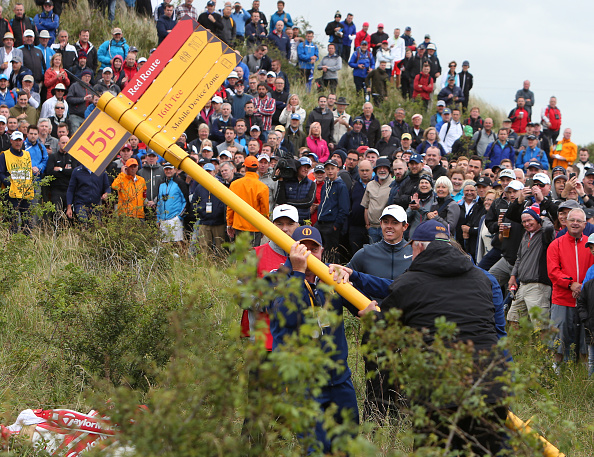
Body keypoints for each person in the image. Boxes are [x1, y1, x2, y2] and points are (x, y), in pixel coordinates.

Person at [268, 225, 359, 454]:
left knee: (346, 445)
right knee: (316, 447)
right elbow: (288, 316)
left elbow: (361, 301)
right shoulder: (278, 278)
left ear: (322, 251)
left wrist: (364, 306)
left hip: (338, 380)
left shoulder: (330, 279)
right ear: (292, 251)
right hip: (305, 383)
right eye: (303, 248)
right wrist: (298, 273)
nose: (309, 254)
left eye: (314, 249)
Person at [548, 208, 594, 370]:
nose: (575, 223)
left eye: (579, 221)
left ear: (584, 224)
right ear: (566, 222)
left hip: (586, 299)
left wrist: (582, 286)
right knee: (559, 337)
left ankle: (582, 375)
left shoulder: (591, 244)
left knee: (585, 339)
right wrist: (571, 284)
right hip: (562, 298)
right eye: (572, 220)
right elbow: (553, 271)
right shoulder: (556, 244)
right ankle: (556, 371)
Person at [227, 155, 269, 246]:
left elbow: (230, 207)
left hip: (239, 226)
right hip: (255, 226)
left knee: (241, 255)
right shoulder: (263, 187)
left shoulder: (234, 185)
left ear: (245, 168)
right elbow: (265, 211)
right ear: (257, 168)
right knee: (253, 256)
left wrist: (229, 224)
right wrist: (264, 228)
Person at [315, 160, 349, 263]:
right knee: (319, 250)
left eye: (332, 168)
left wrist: (336, 225)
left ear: (337, 170)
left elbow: (344, 208)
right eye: (328, 169)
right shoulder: (326, 185)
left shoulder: (340, 186)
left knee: (331, 254)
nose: (330, 171)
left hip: (331, 224)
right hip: (321, 222)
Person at [0, 130, 34, 233]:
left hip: (25, 192)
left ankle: (26, 243)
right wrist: (9, 184)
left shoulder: (27, 154)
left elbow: (29, 172)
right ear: (11, 141)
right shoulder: (4, 155)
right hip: (11, 193)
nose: (18, 142)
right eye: (16, 140)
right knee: (12, 222)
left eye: (20, 140)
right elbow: (1, 173)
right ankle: (12, 243)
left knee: (27, 220)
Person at [362, 158, 392, 243]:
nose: (382, 170)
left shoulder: (393, 184)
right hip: (372, 228)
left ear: (389, 170)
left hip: (387, 227)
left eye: (385, 168)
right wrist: (368, 225)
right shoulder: (370, 185)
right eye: (379, 168)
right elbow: (366, 206)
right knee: (373, 254)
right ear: (376, 170)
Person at [45, 134, 78, 211]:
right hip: (56, 189)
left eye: (67, 143)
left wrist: (60, 170)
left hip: (69, 189)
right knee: (57, 211)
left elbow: (74, 172)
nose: (65, 145)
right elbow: (50, 173)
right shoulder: (53, 156)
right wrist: (66, 171)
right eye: (63, 143)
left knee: (69, 213)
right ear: (59, 143)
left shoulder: (73, 157)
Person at [156, 162, 186, 244]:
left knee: (177, 244)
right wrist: (158, 218)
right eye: (166, 169)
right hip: (163, 219)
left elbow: (185, 201)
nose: (168, 171)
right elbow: (159, 202)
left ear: (175, 170)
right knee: (164, 245)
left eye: (170, 169)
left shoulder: (180, 183)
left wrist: (180, 216)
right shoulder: (161, 184)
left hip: (175, 218)